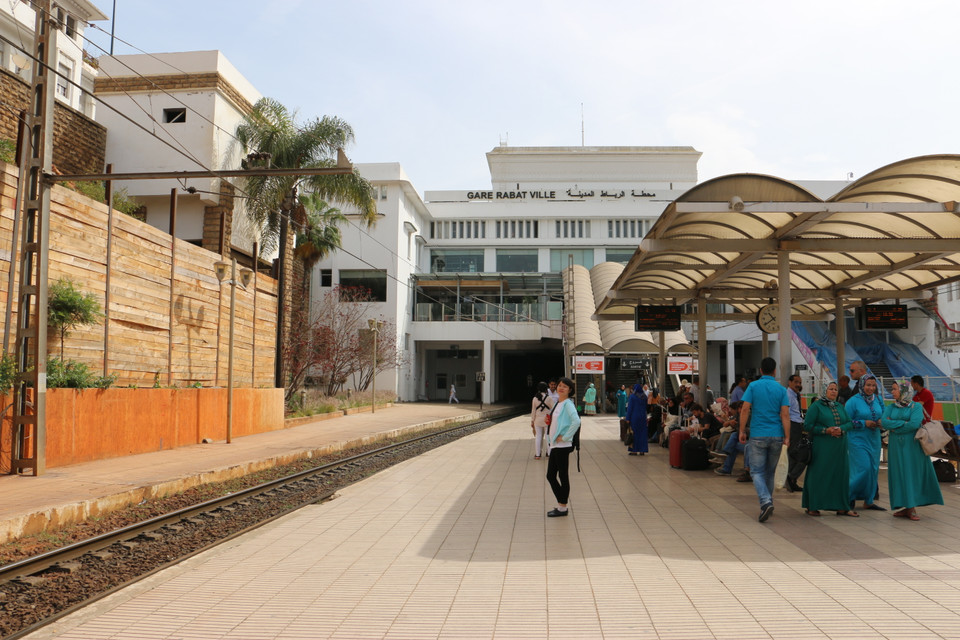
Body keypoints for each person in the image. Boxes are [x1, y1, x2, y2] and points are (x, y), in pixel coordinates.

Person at [883, 382, 943, 521]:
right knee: (899, 474)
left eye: (894, 389)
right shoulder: (891, 407)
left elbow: (915, 424)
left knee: (910, 473)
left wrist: (895, 426)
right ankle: (906, 506)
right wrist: (903, 424)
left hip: (913, 446)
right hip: (896, 447)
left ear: (904, 391)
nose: (892, 392)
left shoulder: (916, 406)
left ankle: (911, 507)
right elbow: (884, 422)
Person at [739, 357, 790, 523]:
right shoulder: (782, 389)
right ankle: (768, 501)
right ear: (775, 371)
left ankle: (765, 501)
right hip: (776, 435)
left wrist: (741, 430)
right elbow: (785, 414)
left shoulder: (753, 386)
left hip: (758, 434)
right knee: (769, 471)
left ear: (761, 370)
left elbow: (745, 409)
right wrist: (787, 437)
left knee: (756, 471)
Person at [801, 381, 856, 516]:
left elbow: (849, 423)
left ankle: (841, 506)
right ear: (824, 390)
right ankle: (813, 505)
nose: (833, 391)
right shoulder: (816, 406)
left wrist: (840, 429)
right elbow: (807, 425)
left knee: (840, 475)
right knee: (819, 474)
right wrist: (826, 430)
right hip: (822, 447)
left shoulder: (839, 406)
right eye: (830, 389)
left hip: (840, 447)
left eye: (835, 389)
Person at [844, 374, 886, 511]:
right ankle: (848, 497)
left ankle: (869, 500)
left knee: (873, 470)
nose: (871, 388)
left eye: (873, 385)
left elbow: (885, 415)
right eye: (868, 385)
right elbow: (846, 422)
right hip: (857, 440)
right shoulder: (853, 401)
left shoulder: (878, 400)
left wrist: (881, 422)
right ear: (862, 385)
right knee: (863, 468)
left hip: (874, 440)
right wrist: (863, 423)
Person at [546, 377, 580, 517]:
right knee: (551, 476)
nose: (561, 388)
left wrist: (565, 437)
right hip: (555, 445)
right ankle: (562, 503)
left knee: (562, 476)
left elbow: (576, 421)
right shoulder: (558, 403)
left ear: (570, 390)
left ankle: (562, 507)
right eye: (560, 385)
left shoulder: (568, 404)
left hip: (562, 445)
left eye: (565, 386)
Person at [785, 374, 807, 493]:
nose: (798, 385)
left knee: (795, 453)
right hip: (792, 425)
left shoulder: (796, 395)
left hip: (798, 425)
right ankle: (791, 477)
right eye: (796, 382)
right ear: (790, 382)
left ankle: (792, 479)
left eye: (800, 382)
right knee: (798, 454)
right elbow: (785, 414)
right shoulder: (788, 395)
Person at [530, 382, 555, 460]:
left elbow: (533, 411)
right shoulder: (549, 398)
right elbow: (554, 409)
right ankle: (549, 453)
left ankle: (538, 454)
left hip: (537, 420)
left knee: (538, 437)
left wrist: (532, 421)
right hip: (547, 420)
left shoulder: (535, 398)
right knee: (548, 437)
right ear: (546, 389)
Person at [625, 383, 649, 455]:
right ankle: (642, 450)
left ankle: (634, 450)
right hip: (642, 417)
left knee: (634, 433)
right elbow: (646, 407)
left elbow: (630, 408)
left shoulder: (632, 397)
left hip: (634, 417)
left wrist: (627, 418)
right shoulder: (644, 396)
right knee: (643, 434)